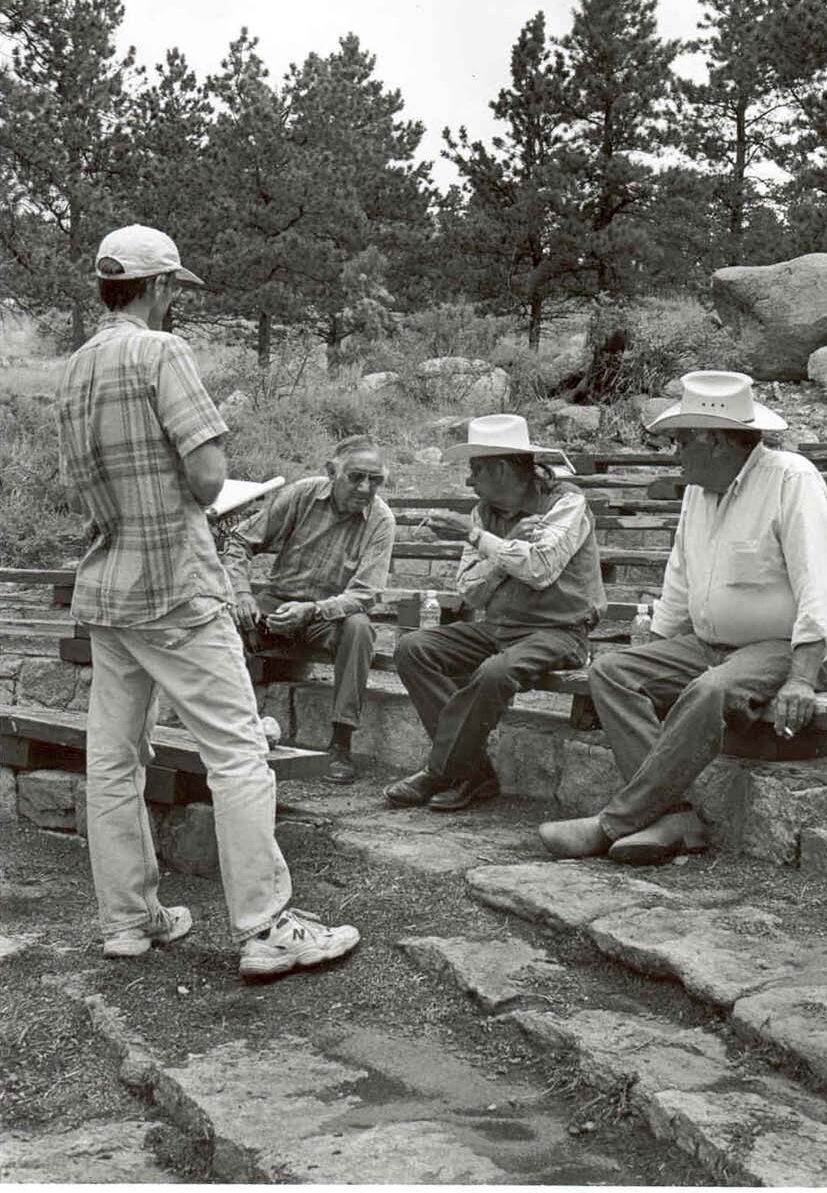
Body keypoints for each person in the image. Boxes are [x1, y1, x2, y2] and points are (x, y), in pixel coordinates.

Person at [55, 223, 360, 978]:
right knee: (239, 753)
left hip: (108, 588)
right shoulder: (163, 351)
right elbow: (206, 476)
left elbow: (81, 487)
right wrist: (212, 497)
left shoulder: (76, 366)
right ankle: (266, 925)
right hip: (175, 585)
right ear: (160, 286)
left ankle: (129, 921)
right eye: (173, 290)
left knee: (114, 761)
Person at [539, 371, 827, 865]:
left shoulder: (791, 478)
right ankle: (673, 817)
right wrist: (654, 652)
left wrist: (803, 677)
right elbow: (679, 583)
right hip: (710, 645)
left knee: (709, 690)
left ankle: (614, 823)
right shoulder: (697, 491)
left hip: (788, 647)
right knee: (613, 672)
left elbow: (821, 581)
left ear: (718, 441)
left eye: (683, 440)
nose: (675, 451)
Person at [383, 414, 608, 812]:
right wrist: (502, 554)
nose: (469, 480)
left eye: (476, 469)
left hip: (559, 632)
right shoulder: (484, 512)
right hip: (500, 627)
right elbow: (470, 590)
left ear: (502, 469)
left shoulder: (566, 501)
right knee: (413, 648)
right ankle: (472, 772)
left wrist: (478, 539)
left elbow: (539, 568)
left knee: (494, 672)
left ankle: (440, 771)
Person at [222, 437, 396, 784]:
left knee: (360, 628)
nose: (365, 488)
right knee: (222, 621)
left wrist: (313, 610)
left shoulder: (381, 520)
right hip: (277, 603)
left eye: (375, 480)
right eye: (356, 477)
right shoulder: (303, 494)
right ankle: (228, 730)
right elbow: (239, 541)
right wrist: (241, 594)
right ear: (332, 472)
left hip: (327, 617)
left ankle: (341, 743)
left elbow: (365, 593)